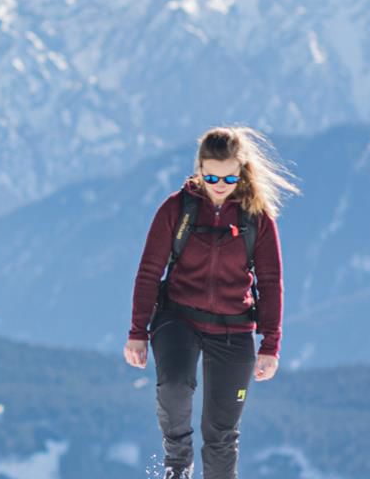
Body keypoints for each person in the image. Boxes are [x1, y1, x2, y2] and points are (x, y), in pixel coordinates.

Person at [123, 126, 297, 479]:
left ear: (243, 170)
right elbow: (149, 271)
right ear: (199, 168)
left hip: (234, 328)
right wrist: (137, 332)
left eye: (230, 176)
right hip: (178, 318)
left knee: (221, 433)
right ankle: (178, 465)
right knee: (174, 386)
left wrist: (271, 344)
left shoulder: (257, 217)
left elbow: (271, 280)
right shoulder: (177, 209)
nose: (220, 183)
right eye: (212, 175)